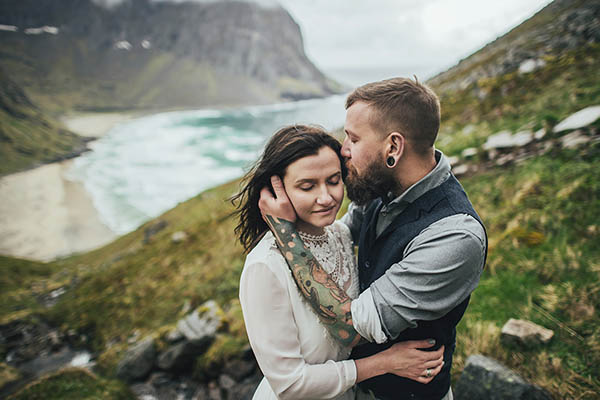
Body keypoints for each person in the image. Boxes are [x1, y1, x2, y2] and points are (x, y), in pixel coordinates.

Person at [259, 78, 487, 400]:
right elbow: (339, 234)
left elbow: (353, 327)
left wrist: (285, 232)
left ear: (393, 147)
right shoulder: (379, 185)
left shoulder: (454, 236)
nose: (343, 149)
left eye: (353, 138)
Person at [233, 125, 445, 400]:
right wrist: (386, 362)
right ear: (277, 191)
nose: (327, 197)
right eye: (307, 186)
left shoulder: (341, 235)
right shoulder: (265, 266)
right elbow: (289, 384)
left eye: (334, 181)